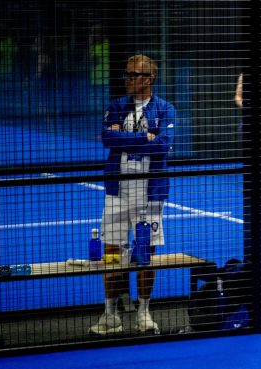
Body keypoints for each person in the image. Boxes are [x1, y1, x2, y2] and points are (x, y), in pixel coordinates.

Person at [90, 55, 175, 336]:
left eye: (133, 75)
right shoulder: (116, 106)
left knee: (145, 256)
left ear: (149, 78)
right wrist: (143, 138)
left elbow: (163, 145)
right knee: (111, 253)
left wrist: (126, 140)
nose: (127, 79)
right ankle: (110, 314)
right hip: (117, 192)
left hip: (150, 194)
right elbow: (107, 138)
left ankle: (143, 313)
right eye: (126, 74)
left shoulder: (165, 109)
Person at [234, 50, 261, 194]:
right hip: (249, 117)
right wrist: (247, 107)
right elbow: (237, 97)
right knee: (249, 150)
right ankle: (251, 182)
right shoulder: (243, 76)